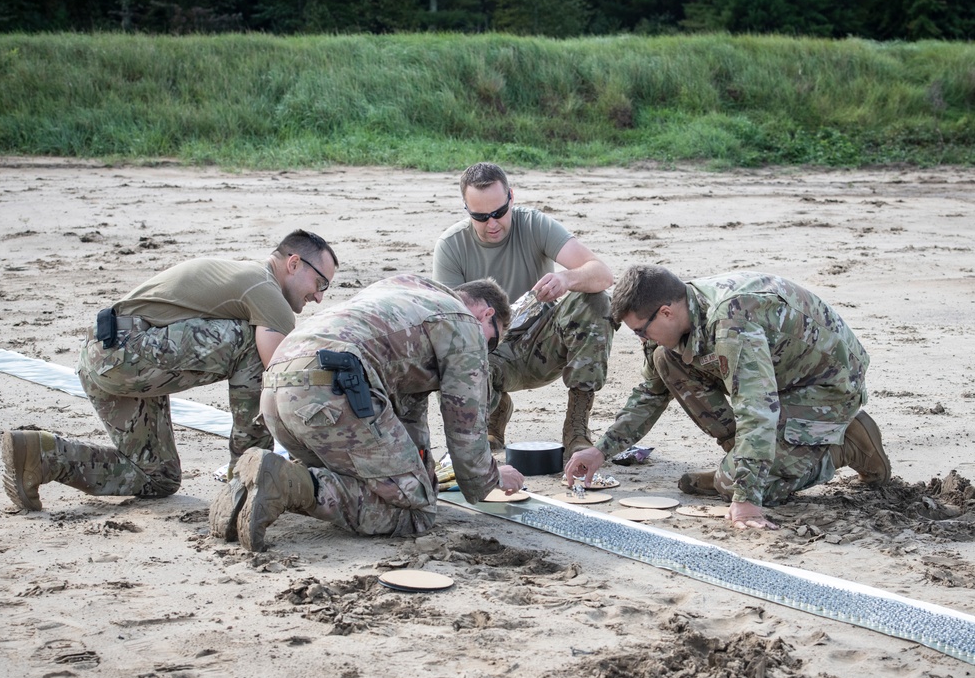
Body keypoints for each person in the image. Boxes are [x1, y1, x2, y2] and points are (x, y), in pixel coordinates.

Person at [1, 229, 338, 511]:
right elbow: (282, 375)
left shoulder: (243, 278)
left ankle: (41, 454)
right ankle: (249, 478)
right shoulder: (264, 290)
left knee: (157, 476)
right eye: (320, 284)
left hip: (106, 357)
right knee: (254, 348)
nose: (319, 297)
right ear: (294, 263)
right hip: (126, 354)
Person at [210, 273, 527, 552]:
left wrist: (421, 474)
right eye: (492, 341)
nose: (487, 351)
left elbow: (408, 413)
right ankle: (285, 482)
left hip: (278, 391)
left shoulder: (405, 293)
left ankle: (249, 489)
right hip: (330, 394)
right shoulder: (464, 325)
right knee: (417, 513)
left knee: (372, 484)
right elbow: (466, 430)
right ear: (486, 314)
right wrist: (492, 476)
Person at [564, 265, 892, 530]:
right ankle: (740, 461)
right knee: (667, 360)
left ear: (665, 313)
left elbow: (757, 411)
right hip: (782, 375)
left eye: (640, 331)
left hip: (828, 384)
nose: (640, 339)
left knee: (746, 485)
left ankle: (848, 442)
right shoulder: (679, 315)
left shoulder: (732, 322)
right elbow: (650, 393)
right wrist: (601, 451)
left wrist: (747, 498)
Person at [433, 162, 615, 462]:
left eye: (499, 212)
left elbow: (602, 273)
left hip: (541, 343)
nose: (492, 223)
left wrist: (566, 279)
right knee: (444, 357)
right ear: (466, 208)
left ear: (511, 198)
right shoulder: (451, 247)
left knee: (596, 301)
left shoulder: (534, 225)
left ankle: (576, 430)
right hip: (489, 351)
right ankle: (487, 420)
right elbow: (448, 328)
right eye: (480, 216)